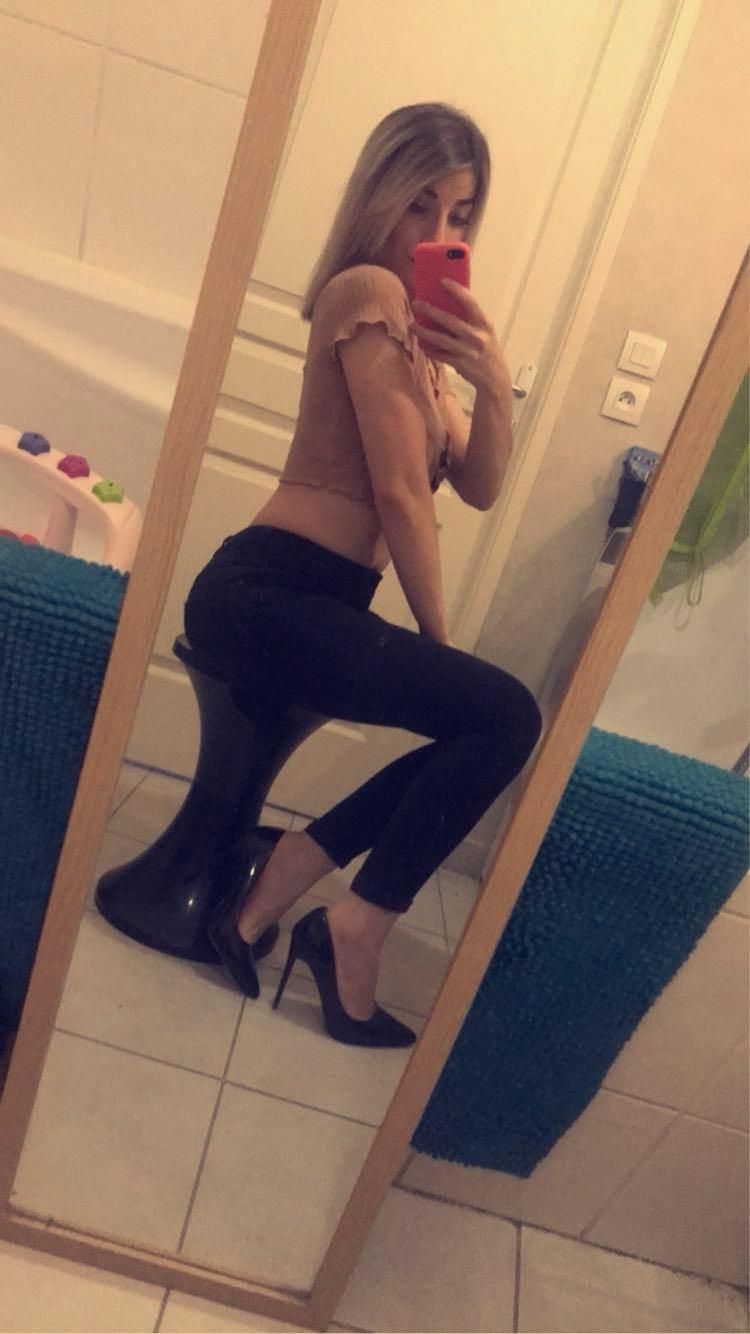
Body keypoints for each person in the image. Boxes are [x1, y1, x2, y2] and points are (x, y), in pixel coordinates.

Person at [184, 103, 542, 1049]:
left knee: (493, 720)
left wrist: (493, 382)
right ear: (379, 194)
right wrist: (440, 652)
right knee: (500, 715)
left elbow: (480, 484)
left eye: (459, 215)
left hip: (317, 603)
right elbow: (399, 493)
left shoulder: (421, 344)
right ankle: (351, 922)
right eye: (419, 203)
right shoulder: (367, 290)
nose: (437, 231)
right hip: (267, 593)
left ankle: (294, 876)